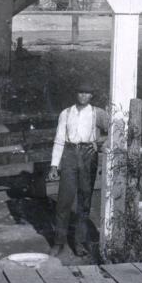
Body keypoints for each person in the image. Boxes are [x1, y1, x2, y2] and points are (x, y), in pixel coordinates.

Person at [47, 82, 111, 258]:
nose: (83, 96)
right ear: (76, 94)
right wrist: (54, 165)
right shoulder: (66, 113)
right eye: (80, 92)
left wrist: (98, 143)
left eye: (87, 93)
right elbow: (59, 139)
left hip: (88, 155)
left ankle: (80, 243)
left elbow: (114, 130)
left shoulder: (97, 113)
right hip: (69, 154)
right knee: (64, 201)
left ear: (92, 96)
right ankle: (59, 242)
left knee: (84, 201)